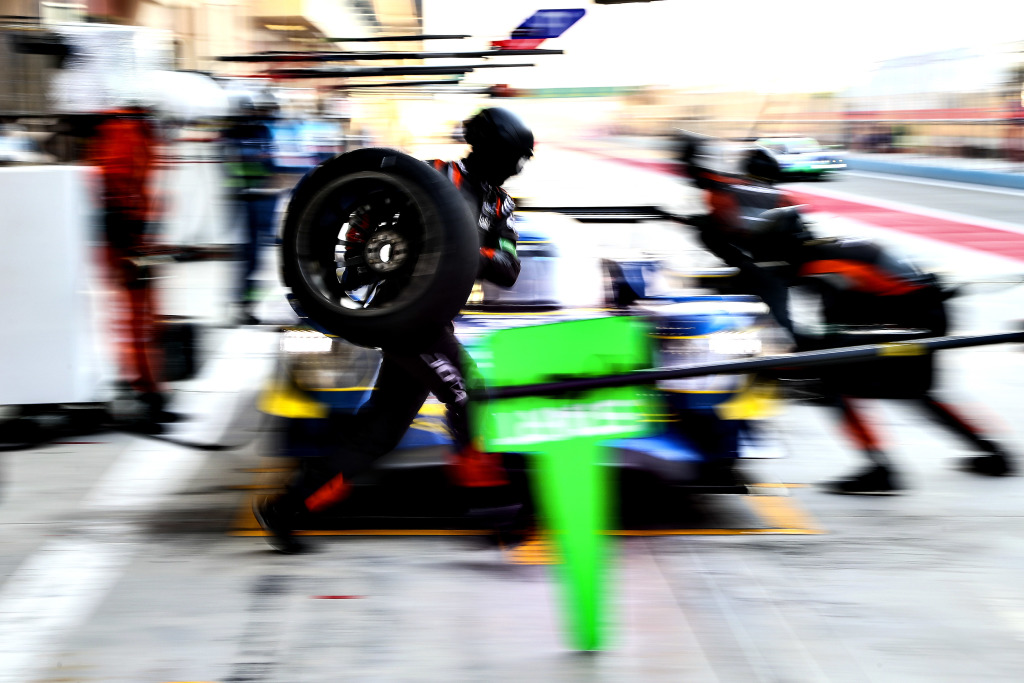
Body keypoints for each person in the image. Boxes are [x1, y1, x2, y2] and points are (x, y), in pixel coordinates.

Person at [254, 107, 533, 552]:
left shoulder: (500, 204)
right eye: (515, 156)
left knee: (377, 434)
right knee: (469, 395)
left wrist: (465, 248)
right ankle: (495, 512)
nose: (518, 167)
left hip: (433, 320)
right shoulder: (436, 175)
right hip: (405, 315)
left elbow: (508, 268)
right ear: (493, 147)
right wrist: (371, 255)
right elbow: (370, 214)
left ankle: (286, 510)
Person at [682, 143, 1015, 494]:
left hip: (912, 317)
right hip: (921, 309)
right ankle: (992, 452)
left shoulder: (823, 267)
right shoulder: (828, 250)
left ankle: (879, 469)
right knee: (917, 391)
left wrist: (796, 352)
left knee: (836, 381)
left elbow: (831, 327)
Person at [86, 105, 175, 431]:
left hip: (138, 239)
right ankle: (142, 395)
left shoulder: (139, 130)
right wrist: (129, 245)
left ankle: (152, 391)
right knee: (135, 323)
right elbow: (115, 188)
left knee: (149, 322)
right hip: (128, 241)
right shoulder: (124, 130)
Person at [222, 92, 281, 325]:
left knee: (256, 258)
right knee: (248, 258)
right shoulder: (235, 134)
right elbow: (234, 166)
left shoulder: (262, 132)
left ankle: (247, 305)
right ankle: (242, 304)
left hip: (260, 202)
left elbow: (268, 164)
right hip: (245, 202)